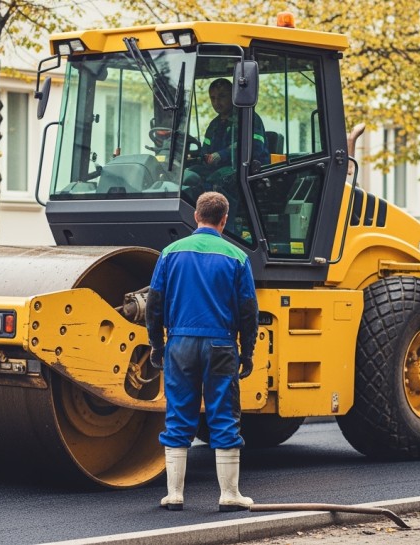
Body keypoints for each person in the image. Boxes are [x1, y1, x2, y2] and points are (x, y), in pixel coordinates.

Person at [145, 191, 259, 512]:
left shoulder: (170, 253)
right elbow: (248, 311)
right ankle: (229, 495)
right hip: (221, 345)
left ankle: (175, 494)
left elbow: (153, 306)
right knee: (224, 416)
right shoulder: (237, 257)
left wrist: (158, 345)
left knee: (179, 415)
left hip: (179, 344)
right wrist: (246, 353)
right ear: (224, 221)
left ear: (196, 216)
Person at [184, 78, 270, 196]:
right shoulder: (214, 124)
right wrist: (200, 157)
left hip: (247, 171)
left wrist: (221, 155)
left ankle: (211, 211)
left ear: (233, 96)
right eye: (213, 98)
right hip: (218, 169)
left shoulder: (248, 118)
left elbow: (253, 148)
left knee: (217, 179)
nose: (216, 102)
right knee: (188, 175)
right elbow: (206, 150)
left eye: (222, 96)